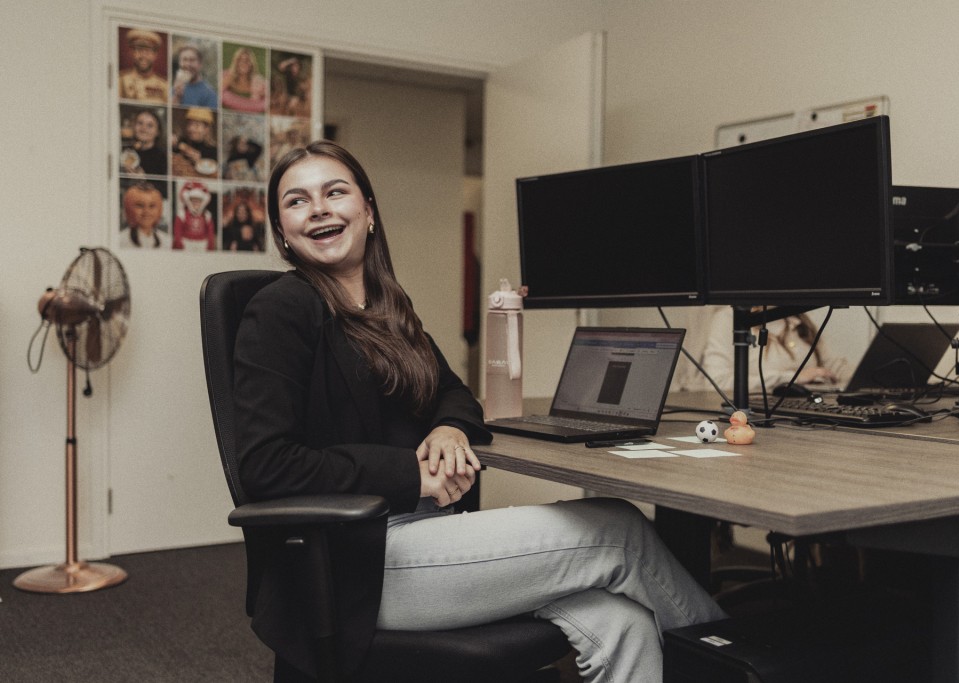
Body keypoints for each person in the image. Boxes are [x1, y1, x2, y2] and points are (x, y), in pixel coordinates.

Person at [232, 141, 726, 681]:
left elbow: (455, 392)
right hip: (358, 562)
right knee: (619, 529)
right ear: (283, 230)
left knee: (623, 622)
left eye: (335, 192)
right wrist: (409, 476)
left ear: (368, 212)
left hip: (426, 539)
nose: (320, 208)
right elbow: (266, 464)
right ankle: (736, 671)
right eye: (298, 201)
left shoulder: (385, 306)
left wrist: (447, 427)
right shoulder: (283, 307)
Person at [701, 306, 849, 392]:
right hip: (758, 414)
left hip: (810, 409)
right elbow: (717, 382)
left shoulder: (799, 318)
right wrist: (793, 378)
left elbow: (833, 366)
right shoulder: (729, 319)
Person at [118, 29, 168, 104]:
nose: (143, 56)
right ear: (132, 53)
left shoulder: (164, 85)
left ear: (155, 55)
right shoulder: (121, 80)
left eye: (148, 51)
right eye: (139, 50)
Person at [171, 107, 217, 177]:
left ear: (206, 129)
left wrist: (199, 162)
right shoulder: (181, 141)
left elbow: (213, 176)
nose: (191, 129)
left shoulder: (213, 151)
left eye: (196, 125)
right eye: (189, 124)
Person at [120, 108, 167, 176]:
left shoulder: (162, 157)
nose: (144, 128)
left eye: (150, 125)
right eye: (140, 123)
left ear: (158, 132)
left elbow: (164, 185)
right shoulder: (127, 151)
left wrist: (144, 179)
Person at [120, 181, 166, 249]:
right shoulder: (121, 240)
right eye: (140, 205)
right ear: (129, 208)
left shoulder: (167, 241)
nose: (146, 211)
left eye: (152, 206)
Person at [221, 47, 267, 113]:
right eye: (240, 60)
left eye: (247, 60)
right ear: (236, 62)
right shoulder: (228, 77)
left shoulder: (258, 82)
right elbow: (217, 91)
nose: (244, 62)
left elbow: (268, 99)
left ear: (251, 63)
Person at [171, 44, 218, 108]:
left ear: (200, 64)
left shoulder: (209, 94)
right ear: (180, 63)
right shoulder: (174, 88)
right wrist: (177, 96)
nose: (188, 64)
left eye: (192, 60)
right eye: (184, 60)